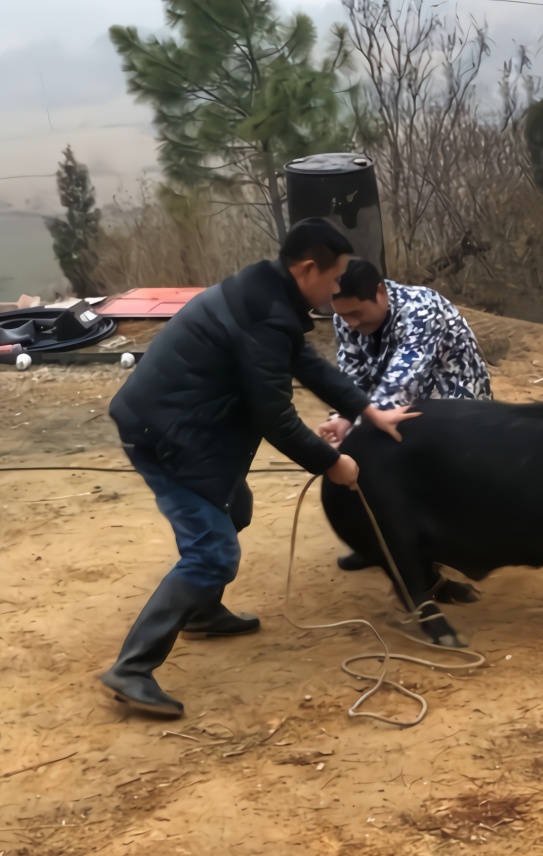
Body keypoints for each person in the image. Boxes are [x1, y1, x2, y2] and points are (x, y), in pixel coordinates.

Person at [101, 218, 418, 718]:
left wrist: (368, 409)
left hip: (184, 424)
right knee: (213, 552)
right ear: (308, 268)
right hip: (164, 433)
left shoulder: (267, 293)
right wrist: (333, 463)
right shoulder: (265, 315)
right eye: (334, 278)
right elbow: (275, 416)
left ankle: (202, 611)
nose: (337, 289)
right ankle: (132, 668)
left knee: (234, 506)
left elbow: (307, 364)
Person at [317, 259, 493, 589]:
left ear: (380, 293)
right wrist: (340, 417)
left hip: (454, 402)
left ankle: (431, 548)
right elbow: (351, 377)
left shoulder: (421, 309)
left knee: (415, 467)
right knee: (372, 458)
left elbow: (400, 385)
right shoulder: (347, 319)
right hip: (390, 404)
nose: (351, 324)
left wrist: (353, 434)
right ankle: (378, 544)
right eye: (342, 316)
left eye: (357, 314)